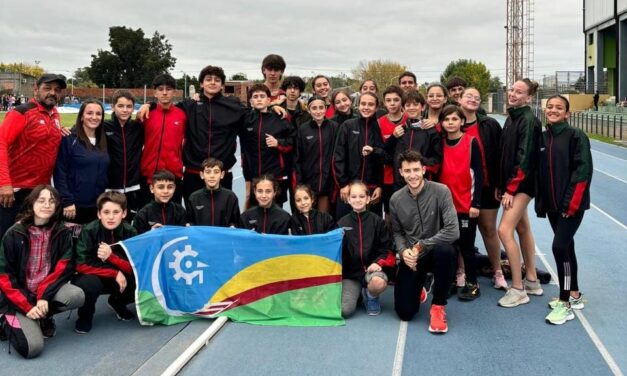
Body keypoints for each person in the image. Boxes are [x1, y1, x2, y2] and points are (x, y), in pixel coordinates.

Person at [0, 185, 84, 358]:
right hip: (18, 295)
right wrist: (27, 306)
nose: (47, 205)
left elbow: (64, 268)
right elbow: (4, 277)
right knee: (32, 349)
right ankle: (4, 318)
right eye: (41, 200)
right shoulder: (14, 233)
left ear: (57, 207)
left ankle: (43, 316)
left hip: (43, 290)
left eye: (51, 201)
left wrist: (43, 296)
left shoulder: (62, 232)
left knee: (77, 295)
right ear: (31, 204)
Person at [536, 95, 593, 325]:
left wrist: (571, 205)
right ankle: (576, 293)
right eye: (550, 107)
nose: (553, 110)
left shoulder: (576, 136)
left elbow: (583, 172)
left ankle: (565, 302)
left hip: (571, 207)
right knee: (567, 246)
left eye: (559, 107)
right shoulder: (542, 138)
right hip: (552, 206)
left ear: (567, 113)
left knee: (559, 247)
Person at [390, 150, 458, 333]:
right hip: (413, 257)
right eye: (407, 171)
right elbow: (397, 232)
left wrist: (422, 245)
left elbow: (453, 230)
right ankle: (418, 288)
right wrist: (404, 252)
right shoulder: (396, 199)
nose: (412, 175)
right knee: (405, 312)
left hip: (435, 252)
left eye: (416, 170)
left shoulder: (441, 191)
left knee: (447, 251)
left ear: (424, 169)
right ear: (401, 172)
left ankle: (438, 306)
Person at [0, 74, 66, 239]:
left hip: (38, 191)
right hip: (14, 190)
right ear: (35, 89)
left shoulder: (55, 114)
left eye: (57, 90)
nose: (52, 93)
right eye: (47, 88)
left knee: (30, 240)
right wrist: (4, 183)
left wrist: (62, 130)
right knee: (6, 238)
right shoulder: (21, 112)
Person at [497, 78, 543, 308]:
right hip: (512, 184)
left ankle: (517, 288)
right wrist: (500, 184)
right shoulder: (512, 117)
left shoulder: (528, 120)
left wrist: (511, 189)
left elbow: (524, 158)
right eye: (512, 89)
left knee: (504, 230)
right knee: (522, 228)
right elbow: (505, 154)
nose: (513, 94)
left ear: (528, 97)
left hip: (522, 185)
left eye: (519, 92)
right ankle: (532, 280)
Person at [459, 88, 507, 290]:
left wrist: (500, 183)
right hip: (460, 189)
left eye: (477, 97)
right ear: (460, 99)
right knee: (461, 233)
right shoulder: (451, 122)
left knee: (488, 229)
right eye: (468, 96)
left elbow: (500, 154)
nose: (473, 99)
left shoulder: (489, 124)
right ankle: (460, 271)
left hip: (487, 186)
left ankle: (497, 271)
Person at [72, 191, 137, 333]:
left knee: (140, 278)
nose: (111, 217)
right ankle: (85, 316)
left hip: (120, 275)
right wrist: (114, 273)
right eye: (106, 212)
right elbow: (80, 265)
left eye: (116, 212)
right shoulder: (89, 230)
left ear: (124, 213)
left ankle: (118, 302)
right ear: (99, 214)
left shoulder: (130, 231)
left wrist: (111, 257)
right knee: (90, 285)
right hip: (93, 274)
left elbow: (136, 266)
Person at [439, 105, 484, 300]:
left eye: (454, 119)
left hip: (466, 205)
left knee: (466, 247)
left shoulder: (471, 142)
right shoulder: (439, 143)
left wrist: (476, 203)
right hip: (445, 206)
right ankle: (449, 281)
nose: (450, 123)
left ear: (462, 122)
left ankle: (472, 284)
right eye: (446, 119)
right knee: (448, 246)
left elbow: (479, 174)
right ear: (442, 123)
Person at [337, 181, 395, 317]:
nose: (358, 200)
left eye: (362, 196)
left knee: (378, 283)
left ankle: (371, 295)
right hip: (351, 275)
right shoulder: (341, 224)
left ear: (368, 199)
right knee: (345, 311)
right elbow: (337, 253)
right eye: (354, 196)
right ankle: (357, 295)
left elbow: (388, 250)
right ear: (349, 199)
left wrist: (378, 263)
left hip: (372, 270)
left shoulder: (378, 222)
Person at [54, 99, 110, 224]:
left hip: (97, 205)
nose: (94, 117)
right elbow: (60, 172)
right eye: (89, 113)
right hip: (74, 207)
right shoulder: (69, 139)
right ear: (81, 116)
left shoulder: (104, 140)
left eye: (98, 114)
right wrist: (67, 201)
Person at [240, 84, 295, 208]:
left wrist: (278, 143)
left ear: (268, 100)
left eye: (262, 96)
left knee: (276, 213)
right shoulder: (245, 119)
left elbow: (293, 141)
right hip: (254, 177)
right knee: (255, 215)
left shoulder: (280, 118)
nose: (259, 99)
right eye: (255, 96)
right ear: (251, 101)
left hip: (276, 176)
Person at [333, 92, 385, 218]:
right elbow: (338, 157)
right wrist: (343, 184)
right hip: (349, 188)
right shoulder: (348, 125)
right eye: (363, 104)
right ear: (358, 105)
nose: (366, 107)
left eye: (370, 104)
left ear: (376, 108)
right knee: (346, 227)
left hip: (372, 188)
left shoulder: (379, 127)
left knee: (371, 227)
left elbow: (383, 157)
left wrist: (379, 186)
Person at [140, 74, 186, 206]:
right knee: (148, 220)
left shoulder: (182, 115)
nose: (165, 93)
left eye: (169, 89)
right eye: (160, 89)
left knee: (173, 221)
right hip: (149, 177)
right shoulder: (146, 114)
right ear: (155, 92)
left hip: (173, 178)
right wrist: (148, 105)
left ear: (174, 92)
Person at [384, 90, 441, 190]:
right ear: (403, 108)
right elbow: (386, 153)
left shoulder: (431, 131)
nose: (411, 108)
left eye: (415, 104)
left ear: (423, 107)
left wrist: (419, 166)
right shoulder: (400, 130)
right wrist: (393, 137)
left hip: (423, 183)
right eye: (408, 105)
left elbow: (437, 159)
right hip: (400, 184)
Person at [294, 95, 338, 214]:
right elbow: (298, 158)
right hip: (309, 182)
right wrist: (299, 182)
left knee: (323, 217)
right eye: (314, 108)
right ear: (309, 110)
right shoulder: (303, 129)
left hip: (327, 182)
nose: (318, 111)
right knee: (309, 218)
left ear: (325, 108)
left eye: (321, 107)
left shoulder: (334, 127)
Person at [104, 90, 144, 220]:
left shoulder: (138, 127)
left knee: (131, 225)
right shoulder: (104, 127)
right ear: (112, 106)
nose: (125, 110)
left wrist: (149, 105)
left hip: (134, 187)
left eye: (129, 106)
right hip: (110, 187)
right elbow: (83, 127)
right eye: (120, 106)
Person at [378, 85, 408, 219]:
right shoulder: (379, 123)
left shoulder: (410, 119)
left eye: (396, 100)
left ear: (402, 101)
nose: (392, 103)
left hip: (408, 176)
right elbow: (380, 151)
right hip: (388, 177)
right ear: (384, 102)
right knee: (390, 215)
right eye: (388, 100)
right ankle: (390, 239)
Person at [187, 158, 240, 227]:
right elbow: (189, 221)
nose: (212, 176)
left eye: (216, 172)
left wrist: (233, 226)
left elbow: (237, 221)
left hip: (223, 237)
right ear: (202, 175)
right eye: (208, 172)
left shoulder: (230, 197)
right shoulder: (194, 198)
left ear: (222, 174)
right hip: (201, 237)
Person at [132, 170, 187, 234]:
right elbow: (137, 240)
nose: (165, 191)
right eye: (160, 187)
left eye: (170, 187)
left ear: (174, 188)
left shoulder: (180, 211)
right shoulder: (143, 214)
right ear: (152, 189)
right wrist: (150, 233)